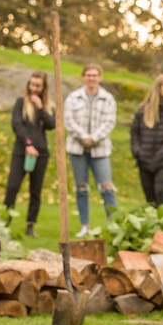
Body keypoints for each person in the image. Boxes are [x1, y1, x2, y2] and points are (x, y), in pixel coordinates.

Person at [64, 64, 118, 238]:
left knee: (106, 187)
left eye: (95, 75)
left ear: (99, 77)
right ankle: (84, 225)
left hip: (100, 149)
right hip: (77, 148)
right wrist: (83, 136)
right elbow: (68, 121)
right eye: (88, 75)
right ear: (83, 77)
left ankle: (113, 224)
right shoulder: (73, 98)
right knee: (81, 188)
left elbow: (109, 122)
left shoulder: (107, 99)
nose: (91, 78)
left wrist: (93, 138)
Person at [4, 71, 55, 237]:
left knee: (36, 190)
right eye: (32, 84)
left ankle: (30, 224)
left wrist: (40, 108)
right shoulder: (21, 102)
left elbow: (51, 125)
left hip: (41, 153)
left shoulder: (47, 106)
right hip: (22, 151)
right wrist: (28, 144)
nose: (34, 88)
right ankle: (6, 220)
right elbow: (17, 125)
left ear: (43, 88)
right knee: (13, 186)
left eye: (38, 85)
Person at [130, 74, 163, 214]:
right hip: (144, 158)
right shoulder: (143, 110)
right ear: (159, 88)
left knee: (161, 192)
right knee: (150, 197)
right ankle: (154, 227)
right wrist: (137, 151)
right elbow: (134, 132)